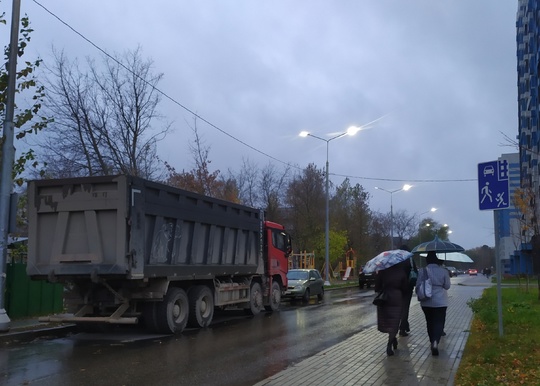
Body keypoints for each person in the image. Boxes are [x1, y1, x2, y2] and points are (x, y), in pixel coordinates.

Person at [416, 251, 451, 356]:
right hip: (440, 301)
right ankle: (436, 342)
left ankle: (432, 341)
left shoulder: (422, 271)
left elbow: (418, 285)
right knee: (439, 322)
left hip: (426, 301)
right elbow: (447, 286)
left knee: (429, 322)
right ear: (437, 260)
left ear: (427, 260)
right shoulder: (443, 271)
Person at [375, 258, 410, 356]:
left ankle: (392, 339)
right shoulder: (401, 272)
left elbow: (377, 287)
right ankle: (390, 343)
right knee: (395, 321)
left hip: (385, 298)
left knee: (388, 321)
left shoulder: (383, 272)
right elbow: (405, 288)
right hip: (397, 298)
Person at [398, 245, 417, 337]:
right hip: (408, 288)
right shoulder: (410, 260)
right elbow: (416, 273)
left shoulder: (396, 260)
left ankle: (402, 325)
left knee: (398, 308)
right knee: (405, 308)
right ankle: (403, 328)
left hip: (397, 287)